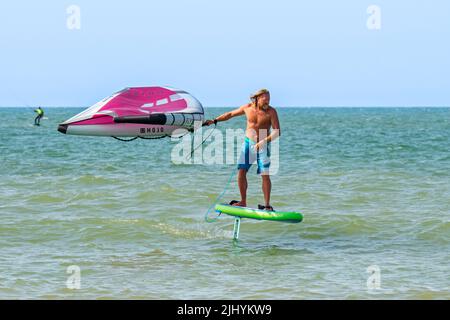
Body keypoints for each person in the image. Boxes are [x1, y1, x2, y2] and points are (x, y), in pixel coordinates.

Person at [204, 89, 280, 211]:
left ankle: (267, 205)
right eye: (265, 100)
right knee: (241, 172)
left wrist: (263, 142)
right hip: (248, 143)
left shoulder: (271, 112)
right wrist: (214, 120)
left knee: (265, 175)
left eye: (269, 100)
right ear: (257, 98)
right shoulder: (247, 108)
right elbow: (230, 115)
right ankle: (243, 201)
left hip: (263, 145)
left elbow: (277, 132)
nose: (267, 102)